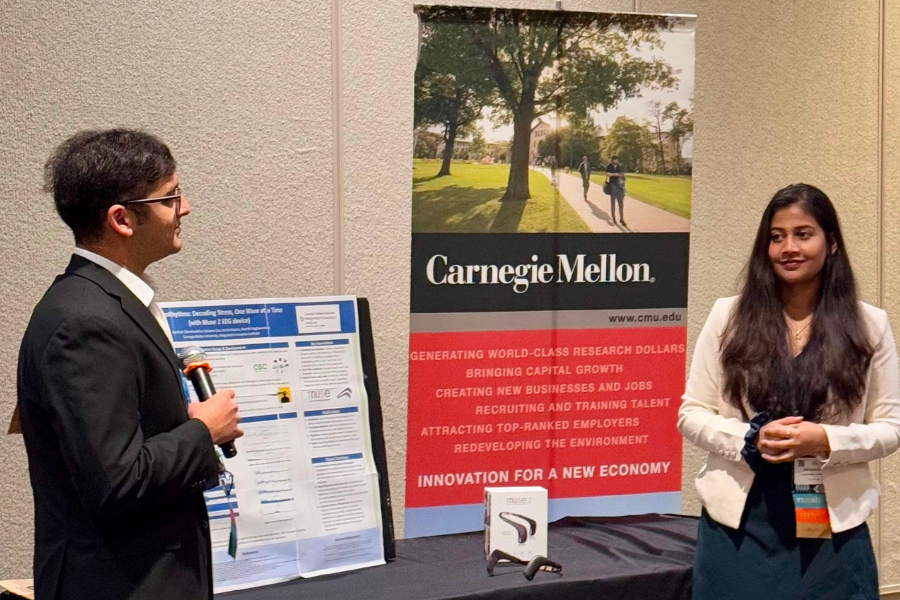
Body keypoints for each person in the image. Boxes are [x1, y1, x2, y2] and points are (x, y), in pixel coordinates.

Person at [17, 129, 244, 600]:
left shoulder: (109, 303)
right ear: (122, 219)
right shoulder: (83, 322)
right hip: (117, 585)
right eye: (171, 197)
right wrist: (204, 431)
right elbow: (115, 480)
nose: (185, 208)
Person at [679, 183, 900, 599]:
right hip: (739, 527)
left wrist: (826, 440)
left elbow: (891, 428)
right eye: (776, 236)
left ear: (831, 243)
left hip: (831, 532)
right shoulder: (728, 316)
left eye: (803, 234)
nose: (788, 248)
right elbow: (692, 414)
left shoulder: (870, 325)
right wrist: (748, 438)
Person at [605, 155, 626, 225]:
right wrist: (614, 174)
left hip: (619, 186)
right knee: (613, 202)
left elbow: (622, 174)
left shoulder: (619, 167)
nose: (616, 161)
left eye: (617, 160)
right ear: (612, 160)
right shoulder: (609, 166)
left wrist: (620, 175)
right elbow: (607, 174)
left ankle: (621, 218)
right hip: (612, 186)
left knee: (621, 203)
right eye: (615, 160)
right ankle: (614, 217)